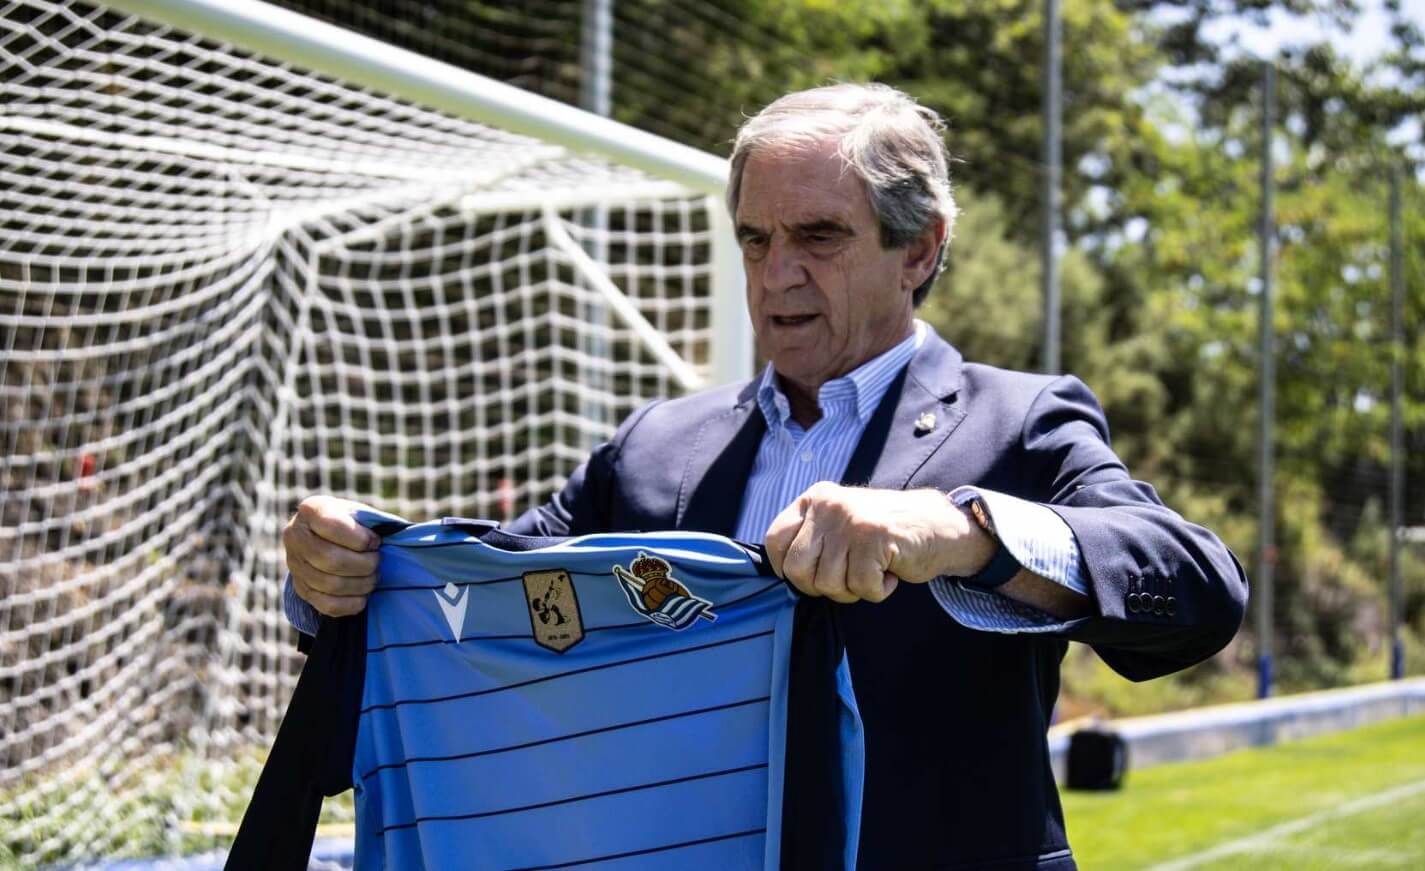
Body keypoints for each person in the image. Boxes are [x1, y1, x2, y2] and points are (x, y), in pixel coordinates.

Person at [282, 83, 1247, 869]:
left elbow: (1197, 584)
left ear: (920, 249)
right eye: (755, 238)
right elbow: (488, 590)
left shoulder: (1018, 421)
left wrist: (959, 532)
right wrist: (349, 571)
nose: (775, 273)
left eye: (818, 237)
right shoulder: (656, 445)